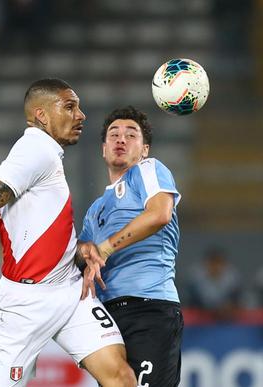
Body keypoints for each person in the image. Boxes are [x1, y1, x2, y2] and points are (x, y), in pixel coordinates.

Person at [0, 78, 136, 387]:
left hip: (71, 292)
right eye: (69, 107)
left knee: (120, 377)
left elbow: (37, 223)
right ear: (41, 115)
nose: (80, 115)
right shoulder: (34, 148)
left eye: (79, 108)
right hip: (25, 303)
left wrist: (79, 247)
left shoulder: (48, 154)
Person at [78, 106, 183, 387]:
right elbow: (80, 258)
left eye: (131, 134)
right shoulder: (95, 210)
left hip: (150, 309)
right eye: (114, 134)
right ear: (103, 149)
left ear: (145, 149)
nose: (120, 140)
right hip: (107, 317)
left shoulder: (148, 171)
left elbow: (160, 214)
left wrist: (106, 247)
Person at [187, 246, 242, 321]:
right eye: (212, 263)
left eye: (219, 263)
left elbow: (235, 300)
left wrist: (227, 306)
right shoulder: (196, 276)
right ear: (206, 263)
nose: (216, 266)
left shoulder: (232, 276)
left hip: (226, 319)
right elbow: (194, 301)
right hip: (201, 319)